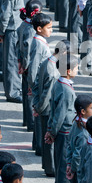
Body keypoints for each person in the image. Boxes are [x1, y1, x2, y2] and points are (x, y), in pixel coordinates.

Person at [45, 55, 79, 183]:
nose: (78, 70)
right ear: (68, 70)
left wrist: (51, 129)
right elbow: (60, 113)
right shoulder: (66, 90)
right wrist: (52, 131)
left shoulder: (59, 84)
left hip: (60, 130)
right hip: (65, 130)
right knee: (65, 164)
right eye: (76, 68)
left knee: (60, 162)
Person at [32, 39, 71, 177]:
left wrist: (35, 105)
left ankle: (47, 165)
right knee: (50, 139)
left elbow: (36, 85)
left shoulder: (46, 62)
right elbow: (47, 94)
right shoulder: (54, 70)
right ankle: (51, 168)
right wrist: (39, 108)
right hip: (48, 108)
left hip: (42, 107)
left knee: (45, 137)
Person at [0, 0, 25, 103]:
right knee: (12, 61)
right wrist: (1, 32)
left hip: (15, 28)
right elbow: (5, 13)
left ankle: (14, 88)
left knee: (14, 59)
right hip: (11, 29)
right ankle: (12, 92)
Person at [27, 12, 53, 156]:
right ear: (39, 29)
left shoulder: (41, 41)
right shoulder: (38, 43)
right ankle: (39, 146)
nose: (51, 30)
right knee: (40, 113)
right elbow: (34, 66)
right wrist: (32, 85)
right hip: (39, 83)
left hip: (39, 82)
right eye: (48, 28)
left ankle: (38, 145)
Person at [17, 0, 43, 133]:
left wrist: (20, 61)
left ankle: (26, 120)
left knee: (27, 95)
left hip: (24, 64)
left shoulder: (22, 25)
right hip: (30, 67)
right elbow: (28, 51)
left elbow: (18, 46)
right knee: (31, 94)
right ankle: (32, 123)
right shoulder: (31, 30)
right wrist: (26, 66)